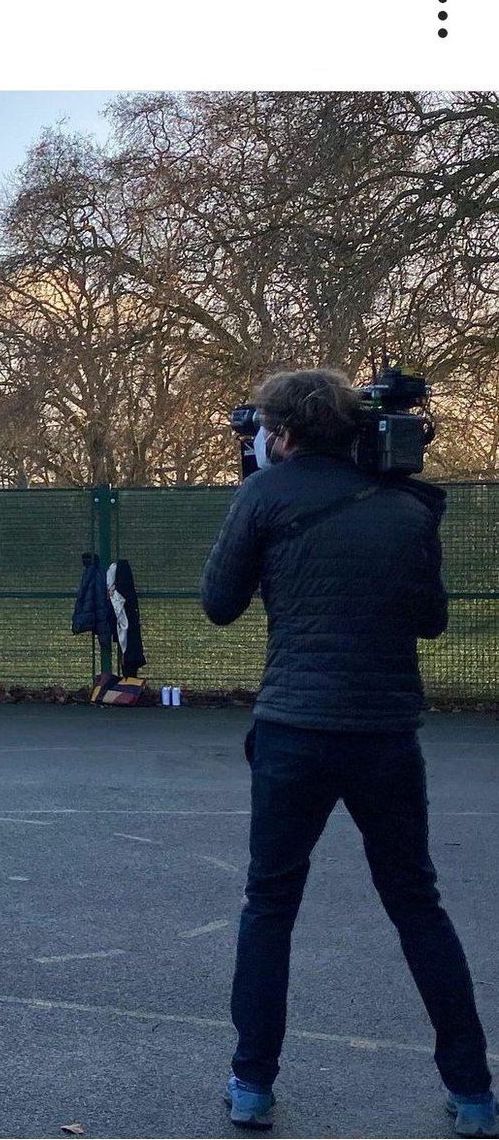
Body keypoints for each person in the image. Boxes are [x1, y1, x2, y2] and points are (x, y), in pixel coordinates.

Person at [201, 367, 496, 1137]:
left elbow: (219, 605)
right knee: (416, 904)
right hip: (387, 734)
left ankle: (253, 1085)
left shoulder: (262, 497)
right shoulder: (407, 505)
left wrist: (261, 508)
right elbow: (429, 620)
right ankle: (472, 1094)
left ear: (285, 435)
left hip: (295, 730)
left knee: (270, 905)